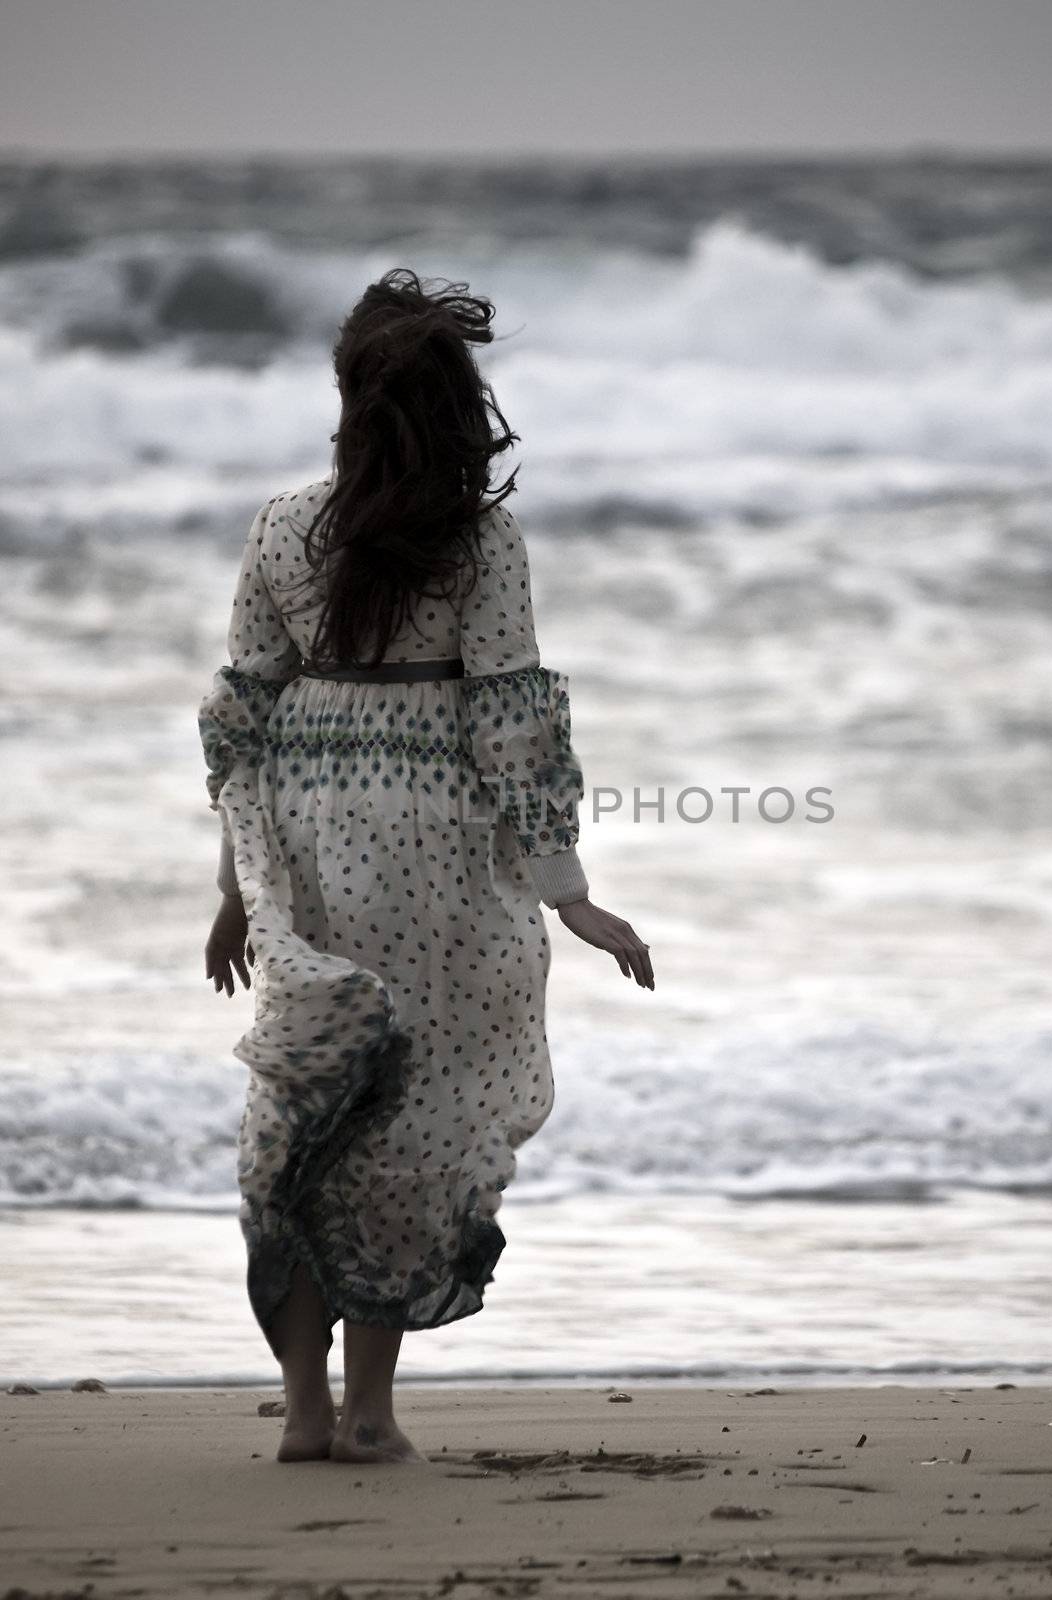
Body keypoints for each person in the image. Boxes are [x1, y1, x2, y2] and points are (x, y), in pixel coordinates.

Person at [199, 268, 653, 1465]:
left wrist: (236, 888)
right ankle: (370, 1413)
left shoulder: (284, 524)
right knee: (413, 1121)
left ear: (349, 398)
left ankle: (302, 1412)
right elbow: (514, 721)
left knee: (306, 1114)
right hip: (440, 854)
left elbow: (237, 721)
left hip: (303, 843)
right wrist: (571, 891)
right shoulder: (482, 540)